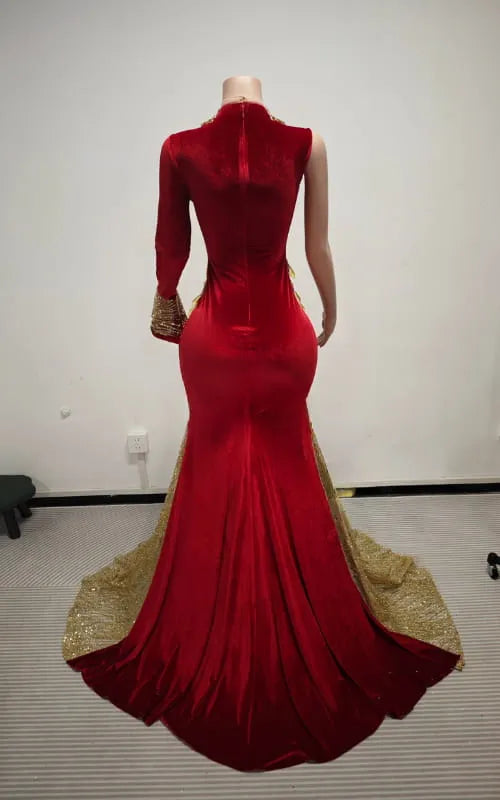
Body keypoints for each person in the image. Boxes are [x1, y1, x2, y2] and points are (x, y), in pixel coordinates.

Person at [62, 84, 464, 773]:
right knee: (285, 460)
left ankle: (205, 611)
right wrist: (332, 309)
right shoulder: (307, 143)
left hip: (213, 339)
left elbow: (170, 245)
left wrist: (166, 305)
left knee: (216, 464)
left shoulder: (179, 148)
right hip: (284, 334)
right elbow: (317, 246)